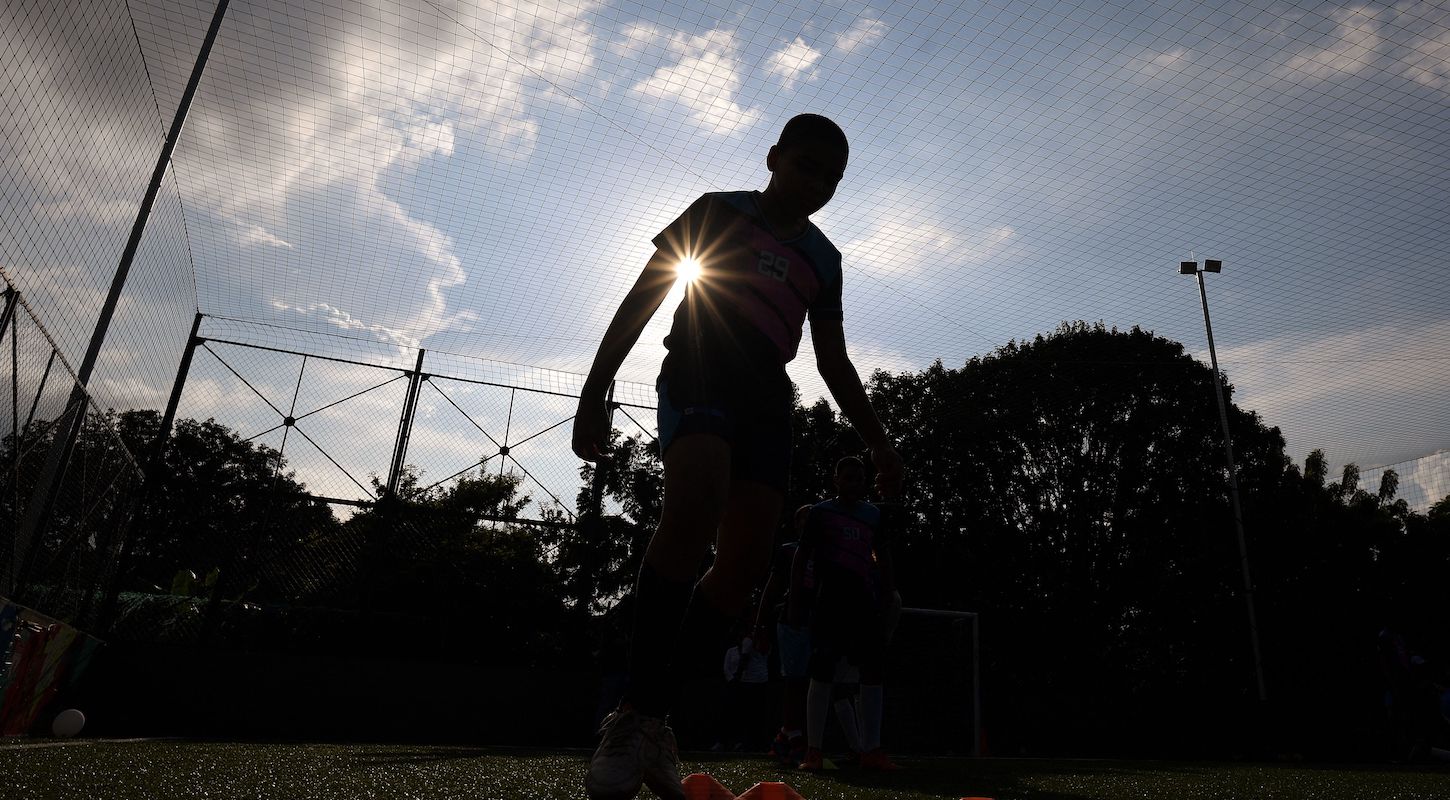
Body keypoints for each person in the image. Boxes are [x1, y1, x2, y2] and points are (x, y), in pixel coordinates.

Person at [571, 113, 904, 800]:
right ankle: (631, 715)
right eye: (807, 165)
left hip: (767, 397)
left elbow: (833, 360)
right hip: (700, 364)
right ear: (774, 157)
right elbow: (648, 294)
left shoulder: (825, 259)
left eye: (833, 178)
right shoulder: (717, 211)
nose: (817, 184)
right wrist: (595, 387)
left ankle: (652, 717)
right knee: (693, 510)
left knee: (746, 563)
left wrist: (877, 439)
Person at [790, 456, 901, 771]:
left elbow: (884, 555)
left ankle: (872, 750)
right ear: (835, 479)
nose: (854, 483)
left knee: (872, 669)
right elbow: (803, 554)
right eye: (848, 477)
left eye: (859, 478)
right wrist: (797, 596)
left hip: (863, 600)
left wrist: (888, 592)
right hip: (830, 600)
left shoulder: (873, 515)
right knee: (823, 669)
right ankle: (814, 751)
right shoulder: (821, 513)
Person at [754, 504, 813, 766]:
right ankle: (792, 737)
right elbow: (773, 587)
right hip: (792, 622)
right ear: (797, 525)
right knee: (794, 679)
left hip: (819, 622)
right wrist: (760, 624)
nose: (808, 523)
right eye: (803, 519)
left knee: (815, 682)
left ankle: (793, 736)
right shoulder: (789, 551)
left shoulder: (829, 553)